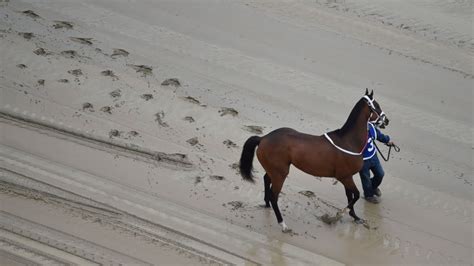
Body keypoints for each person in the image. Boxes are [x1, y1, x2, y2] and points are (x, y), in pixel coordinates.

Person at [359, 117, 394, 204]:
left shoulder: (370, 126)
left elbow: (379, 136)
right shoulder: (355, 132)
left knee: (380, 174)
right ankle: (368, 195)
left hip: (373, 156)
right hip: (362, 161)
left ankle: (373, 187)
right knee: (365, 179)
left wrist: (387, 141)